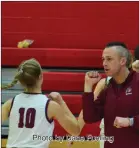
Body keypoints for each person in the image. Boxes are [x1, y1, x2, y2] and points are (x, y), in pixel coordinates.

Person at [2, 58, 81, 148]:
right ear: (40, 76)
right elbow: (75, 131)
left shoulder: (10, 103)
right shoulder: (50, 106)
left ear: (20, 80)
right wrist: (61, 103)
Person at [82, 42, 139, 148]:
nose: (104, 63)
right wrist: (88, 87)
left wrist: (130, 121)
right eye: (103, 59)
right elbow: (89, 117)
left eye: (109, 59)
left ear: (122, 61)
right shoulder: (109, 88)